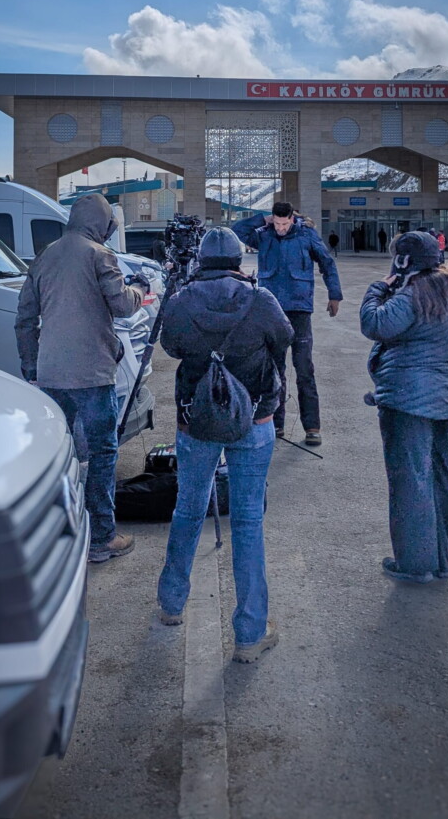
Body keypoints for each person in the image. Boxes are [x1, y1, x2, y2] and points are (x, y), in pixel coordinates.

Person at [156, 227, 294, 663]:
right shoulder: (260, 299)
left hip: (195, 420)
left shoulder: (182, 300)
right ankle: (250, 634)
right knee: (248, 521)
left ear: (201, 260)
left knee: (188, 508)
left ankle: (171, 604)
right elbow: (284, 338)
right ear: (238, 260)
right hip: (254, 418)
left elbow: (171, 346)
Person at [15, 193, 149, 563]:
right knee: (103, 453)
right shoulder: (99, 255)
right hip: (93, 375)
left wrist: (31, 367)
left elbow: (24, 319)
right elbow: (122, 304)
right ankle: (102, 537)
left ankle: (58, 533)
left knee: (59, 454)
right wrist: (140, 289)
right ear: (103, 224)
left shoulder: (45, 256)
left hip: (51, 375)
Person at [360, 231, 448, 583]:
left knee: (410, 480)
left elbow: (375, 324)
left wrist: (378, 289)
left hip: (406, 402)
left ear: (403, 261)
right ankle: (439, 561)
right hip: (441, 400)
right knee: (439, 479)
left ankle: (413, 564)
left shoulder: (413, 293)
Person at [232, 202, 343, 446]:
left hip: (299, 309)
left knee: (304, 368)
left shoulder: (306, 235)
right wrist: (262, 219)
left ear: (292, 218)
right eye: (277, 223)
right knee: (274, 370)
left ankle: (312, 427)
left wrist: (334, 294)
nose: (281, 228)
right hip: (271, 311)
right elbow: (237, 230)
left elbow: (327, 263)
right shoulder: (264, 235)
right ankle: (276, 423)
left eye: (285, 223)